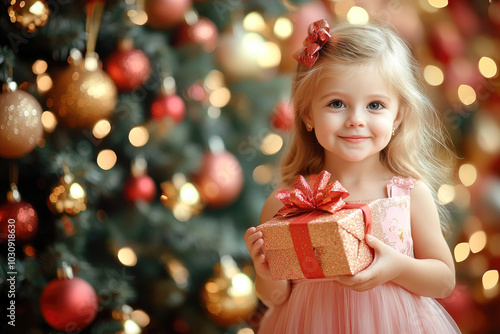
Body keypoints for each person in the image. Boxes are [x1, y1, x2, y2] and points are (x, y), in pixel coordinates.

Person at [244, 19, 461, 333]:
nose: (356, 120)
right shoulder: (288, 203)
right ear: (307, 114)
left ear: (397, 115)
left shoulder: (406, 194)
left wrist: (396, 268)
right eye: (336, 104)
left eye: (375, 105)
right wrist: (265, 273)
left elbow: (443, 281)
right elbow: (277, 298)